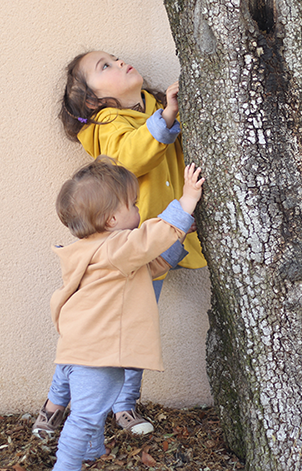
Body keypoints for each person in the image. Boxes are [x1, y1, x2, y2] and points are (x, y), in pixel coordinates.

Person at [33, 50, 207, 438]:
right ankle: (55, 403)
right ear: (93, 100)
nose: (119, 63)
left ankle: (124, 405)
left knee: (137, 327)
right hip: (124, 250)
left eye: (115, 58)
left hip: (161, 244)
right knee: (89, 335)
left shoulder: (157, 107)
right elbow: (129, 158)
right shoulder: (104, 126)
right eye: (105, 67)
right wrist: (165, 119)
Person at [46, 155, 204, 470]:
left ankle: (91, 451)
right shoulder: (116, 247)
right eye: (132, 204)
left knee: (93, 406)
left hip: (81, 347)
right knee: (86, 415)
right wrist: (185, 203)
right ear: (111, 220)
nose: (138, 209)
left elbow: (151, 267)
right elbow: (150, 238)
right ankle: (66, 465)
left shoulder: (92, 250)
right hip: (98, 354)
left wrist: (180, 234)